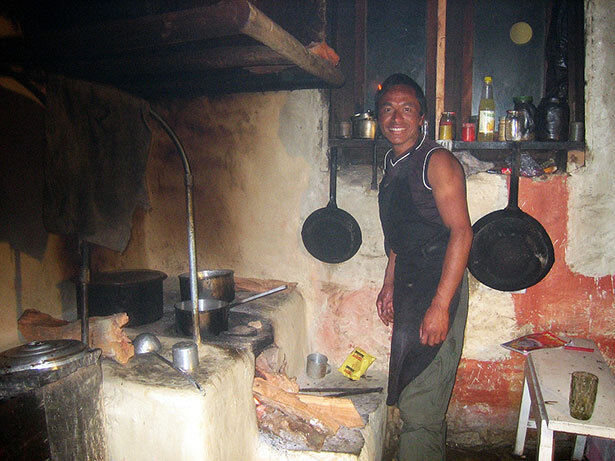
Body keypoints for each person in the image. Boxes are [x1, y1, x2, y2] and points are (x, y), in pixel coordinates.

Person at [375, 74, 473, 460]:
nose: (396, 117)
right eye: (387, 109)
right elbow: (401, 237)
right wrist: (388, 284)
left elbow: (462, 233)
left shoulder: (437, 162)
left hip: (437, 285)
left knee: (421, 398)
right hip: (411, 286)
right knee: (416, 386)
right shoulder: (393, 163)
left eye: (406, 109)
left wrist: (440, 305)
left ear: (421, 118)